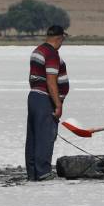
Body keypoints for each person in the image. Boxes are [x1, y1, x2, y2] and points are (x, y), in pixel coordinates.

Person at [25, 25, 69, 181]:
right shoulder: (51, 54)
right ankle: (43, 173)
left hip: (34, 97)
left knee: (34, 137)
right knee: (45, 137)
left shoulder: (38, 50)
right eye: (63, 38)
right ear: (59, 38)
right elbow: (51, 81)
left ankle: (32, 174)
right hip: (44, 99)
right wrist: (58, 104)